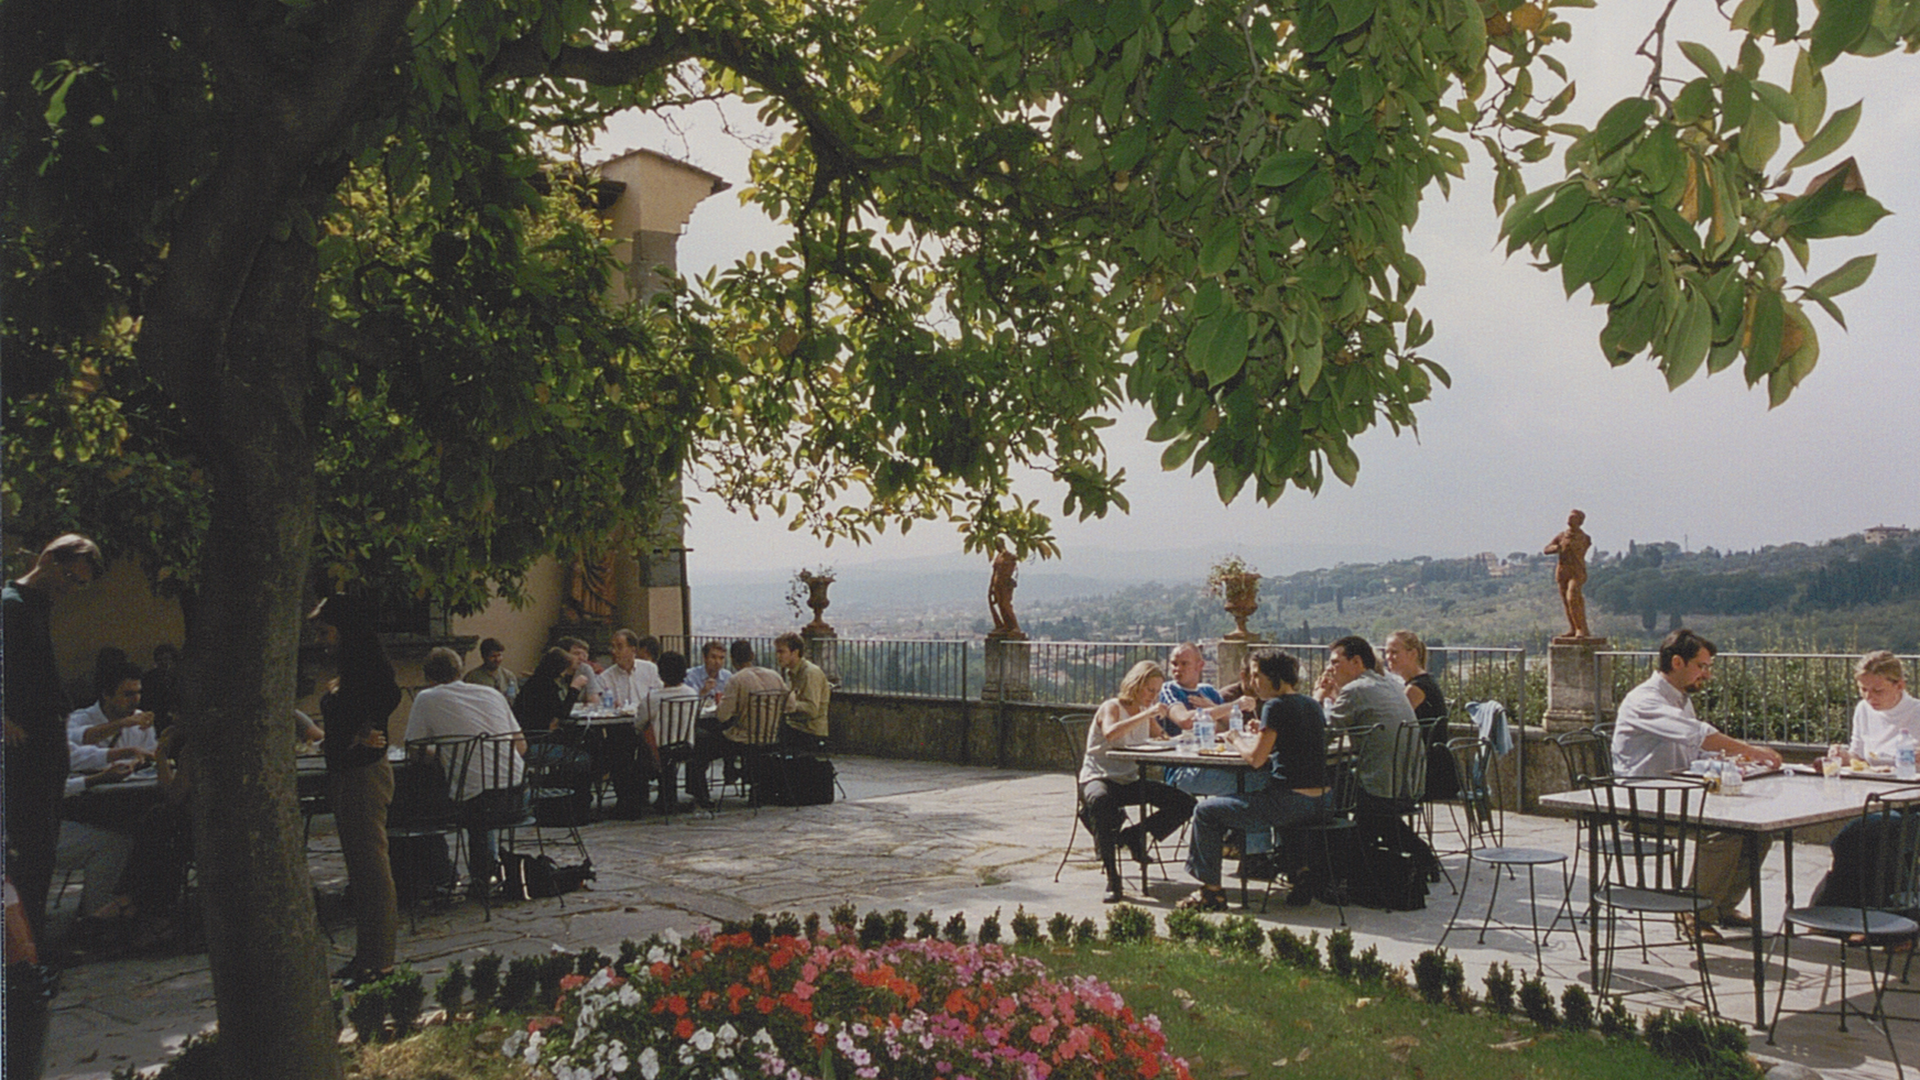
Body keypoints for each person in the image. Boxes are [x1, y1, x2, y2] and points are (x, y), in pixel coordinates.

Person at [1611, 628, 1783, 943]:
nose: (1708, 674)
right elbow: (1697, 734)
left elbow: (1695, 749)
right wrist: (1754, 751)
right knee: (1726, 833)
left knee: (1758, 832)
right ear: (1677, 662)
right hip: (1643, 803)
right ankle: (1693, 912)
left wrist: (1735, 760)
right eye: (1702, 666)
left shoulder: (1679, 698)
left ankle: (1720, 906)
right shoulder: (1645, 700)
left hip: (1675, 797)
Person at [5, 533, 104, 939]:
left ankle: (33, 949)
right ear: (47, 560)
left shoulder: (37, 606)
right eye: (69, 576)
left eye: (80, 583)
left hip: (46, 742)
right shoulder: (11, 605)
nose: (71, 588)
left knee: (42, 852)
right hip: (24, 747)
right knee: (28, 854)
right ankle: (23, 953)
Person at [1181, 649, 1330, 911]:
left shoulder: (1275, 706)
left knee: (1205, 811)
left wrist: (1236, 738)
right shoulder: (1310, 704)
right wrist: (1261, 730)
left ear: (1275, 676)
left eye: (1257, 675)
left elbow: (1256, 759)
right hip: (1324, 802)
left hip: (1291, 803)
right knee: (1269, 795)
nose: (1252, 682)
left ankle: (1211, 892)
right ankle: (1300, 874)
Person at [311, 594, 402, 989]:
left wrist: (367, 730)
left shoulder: (369, 670)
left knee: (371, 870)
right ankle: (367, 955)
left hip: (363, 774)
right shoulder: (352, 670)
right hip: (348, 772)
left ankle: (380, 961)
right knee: (360, 871)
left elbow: (388, 695)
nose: (322, 640)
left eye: (326, 632)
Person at [404, 648, 526, 897]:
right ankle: (487, 872)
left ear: (428, 676)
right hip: (519, 794)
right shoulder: (491, 693)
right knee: (479, 785)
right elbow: (521, 746)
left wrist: (447, 753)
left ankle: (440, 873)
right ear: (460, 670)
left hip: (479, 803)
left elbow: (414, 751)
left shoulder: (426, 698)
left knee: (423, 803)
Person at [1079, 661, 1196, 904]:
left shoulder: (1145, 711)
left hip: (1128, 779)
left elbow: (1162, 737)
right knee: (1101, 801)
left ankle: (1135, 834)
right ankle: (1113, 878)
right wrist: (1146, 714)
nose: (1153, 696)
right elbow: (1111, 733)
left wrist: (1181, 738)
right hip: (1099, 776)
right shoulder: (1112, 707)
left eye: (1157, 691)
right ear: (1136, 685)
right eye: (1149, 690)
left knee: (1185, 803)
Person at [1813, 651, 1920, 910]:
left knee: (1861, 837)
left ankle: (1856, 910)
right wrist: (1842, 756)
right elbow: (1859, 756)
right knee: (1854, 838)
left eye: (1877, 691)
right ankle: (1847, 910)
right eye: (1863, 690)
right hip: (1876, 797)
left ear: (1900, 685)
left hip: (1912, 803)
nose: (1869, 697)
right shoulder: (1864, 710)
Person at [687, 640, 787, 808]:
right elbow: (790, 705)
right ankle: (736, 774)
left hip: (744, 739)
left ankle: (702, 794)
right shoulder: (775, 676)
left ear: (732, 660)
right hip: (771, 737)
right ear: (753, 655)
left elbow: (723, 716)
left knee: (701, 745)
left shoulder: (736, 679)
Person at [593, 629, 664, 819]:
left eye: (619, 647)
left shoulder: (649, 669)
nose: (614, 651)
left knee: (648, 745)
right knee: (619, 746)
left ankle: (643, 796)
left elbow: (659, 694)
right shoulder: (606, 677)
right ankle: (627, 800)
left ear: (633, 649)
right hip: (621, 726)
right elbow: (603, 706)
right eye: (613, 647)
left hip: (649, 724)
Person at [1382, 629, 1456, 800]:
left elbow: (1392, 723)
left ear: (1413, 654)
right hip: (1434, 767)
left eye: (1394, 652)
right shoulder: (1422, 683)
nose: (1388, 657)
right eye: (1386, 652)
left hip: (1426, 772)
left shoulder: (1415, 689)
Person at [641, 651, 702, 810]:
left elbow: (639, 723)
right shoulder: (692, 694)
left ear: (660, 673)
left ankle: (642, 798)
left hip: (659, 750)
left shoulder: (653, 698)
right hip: (686, 747)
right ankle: (670, 798)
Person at [68, 662, 159, 758]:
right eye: (128, 694)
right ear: (107, 695)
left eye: (139, 693)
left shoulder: (142, 721)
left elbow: (151, 755)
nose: (136, 699)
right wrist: (122, 723)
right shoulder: (78, 719)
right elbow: (80, 739)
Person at [774, 632, 830, 749]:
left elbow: (812, 709)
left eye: (781, 652)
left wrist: (790, 704)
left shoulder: (810, 673)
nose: (777, 656)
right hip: (797, 727)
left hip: (809, 731)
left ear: (795, 652)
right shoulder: (793, 672)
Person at [1544, 509, 1593, 639]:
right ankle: (1573, 627)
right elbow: (1546, 549)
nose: (1570, 519)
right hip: (1563, 571)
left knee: (1573, 598)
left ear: (1580, 521)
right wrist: (1556, 548)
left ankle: (1581, 628)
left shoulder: (1585, 538)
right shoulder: (1562, 536)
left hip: (1577, 571)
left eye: (1574, 517)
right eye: (1570, 517)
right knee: (1566, 601)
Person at [462, 637, 521, 702]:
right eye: (493, 656)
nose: (497, 659)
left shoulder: (508, 676)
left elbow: (514, 698)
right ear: (484, 657)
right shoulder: (473, 678)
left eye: (499, 655)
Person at [142, 644, 183, 734]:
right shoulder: (149, 678)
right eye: (160, 660)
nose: (164, 663)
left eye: (167, 659)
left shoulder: (181, 678)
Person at [687, 640, 732, 706]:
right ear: (705, 658)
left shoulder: (727, 676)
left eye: (721, 658)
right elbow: (687, 702)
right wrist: (703, 691)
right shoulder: (691, 675)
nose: (718, 662)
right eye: (713, 657)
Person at [559, 636, 602, 704]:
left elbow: (594, 699)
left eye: (584, 655)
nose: (582, 658)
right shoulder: (556, 671)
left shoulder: (585, 669)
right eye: (576, 654)